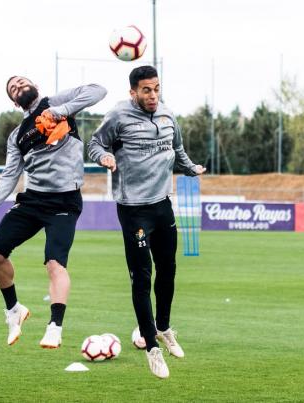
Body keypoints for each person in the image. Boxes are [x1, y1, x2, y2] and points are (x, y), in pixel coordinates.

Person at [88, 65, 206, 378]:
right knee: (142, 277)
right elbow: (94, 143)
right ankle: (152, 350)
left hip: (162, 206)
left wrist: (190, 167)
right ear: (133, 92)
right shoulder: (118, 116)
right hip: (134, 209)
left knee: (168, 270)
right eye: (146, 90)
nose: (153, 95)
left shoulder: (167, 115)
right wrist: (104, 157)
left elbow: (176, 149)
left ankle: (164, 329)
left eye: (156, 88)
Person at [0, 76, 106, 349]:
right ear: (13, 100)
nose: (18, 87)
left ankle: (55, 326)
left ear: (34, 85)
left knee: (55, 264)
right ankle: (14, 310)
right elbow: (10, 176)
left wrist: (60, 112)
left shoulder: (55, 102)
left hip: (65, 201)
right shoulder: (17, 135)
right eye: (13, 88)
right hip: (33, 201)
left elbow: (98, 90)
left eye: (21, 82)